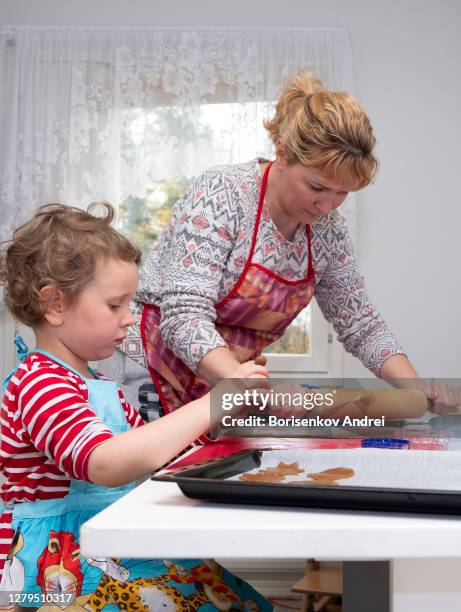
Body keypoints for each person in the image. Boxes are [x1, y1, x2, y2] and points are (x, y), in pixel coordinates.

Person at [132, 69, 456, 418]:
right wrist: (249, 388)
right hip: (148, 370)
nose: (328, 206)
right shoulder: (224, 193)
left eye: (342, 192)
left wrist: (418, 389)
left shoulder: (328, 230)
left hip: (224, 386)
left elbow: (360, 324)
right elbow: (184, 316)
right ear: (282, 154)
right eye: (317, 188)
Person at [0, 203, 270, 610]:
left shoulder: (98, 385)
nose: (130, 319)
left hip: (107, 540)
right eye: (115, 305)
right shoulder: (40, 382)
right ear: (54, 304)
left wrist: (221, 424)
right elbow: (105, 464)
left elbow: (151, 458)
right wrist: (213, 402)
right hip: (59, 569)